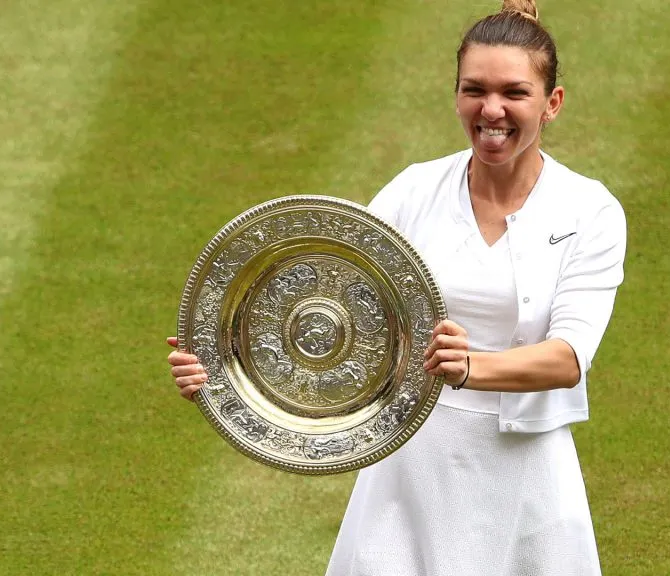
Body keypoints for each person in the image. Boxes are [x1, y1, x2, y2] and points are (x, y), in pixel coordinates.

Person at [168, 1, 626, 573]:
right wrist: (219, 373)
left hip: (527, 477)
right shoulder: (414, 190)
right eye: (473, 90)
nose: (491, 110)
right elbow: (325, 306)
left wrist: (468, 368)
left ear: (551, 104)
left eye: (514, 92)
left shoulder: (591, 211)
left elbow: (568, 357)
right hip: (409, 470)